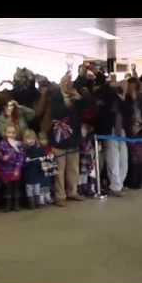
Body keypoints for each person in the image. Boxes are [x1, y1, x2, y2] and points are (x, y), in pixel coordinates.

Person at [50, 72, 87, 206]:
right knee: (59, 169)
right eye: (66, 82)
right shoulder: (55, 96)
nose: (68, 84)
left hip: (74, 137)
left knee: (73, 168)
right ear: (61, 83)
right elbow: (58, 113)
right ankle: (60, 196)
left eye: (70, 82)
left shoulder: (75, 95)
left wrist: (80, 98)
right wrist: (67, 100)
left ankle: (73, 191)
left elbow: (85, 110)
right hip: (59, 138)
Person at [0, 125, 26, 212]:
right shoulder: (1, 144)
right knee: (7, 188)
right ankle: (8, 205)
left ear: (16, 134)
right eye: (9, 132)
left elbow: (21, 156)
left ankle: (16, 205)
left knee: (16, 187)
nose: (11, 134)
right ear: (5, 133)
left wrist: (17, 167)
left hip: (16, 170)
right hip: (5, 170)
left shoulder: (19, 144)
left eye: (13, 133)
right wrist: (2, 158)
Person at [22, 129, 47, 209]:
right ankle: (31, 204)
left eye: (32, 138)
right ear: (24, 140)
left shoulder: (39, 149)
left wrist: (43, 159)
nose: (31, 141)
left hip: (37, 173)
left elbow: (45, 157)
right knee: (29, 189)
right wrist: (25, 160)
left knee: (37, 188)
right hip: (28, 174)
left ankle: (37, 203)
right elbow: (20, 162)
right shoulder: (23, 150)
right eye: (28, 139)